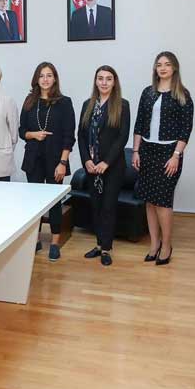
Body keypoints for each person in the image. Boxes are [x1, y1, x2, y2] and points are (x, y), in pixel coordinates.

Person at [132, 51, 194, 266]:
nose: (163, 68)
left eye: (167, 64)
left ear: (174, 68)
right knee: (149, 201)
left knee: (163, 202)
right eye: (159, 64)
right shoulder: (147, 93)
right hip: (147, 151)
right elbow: (139, 123)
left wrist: (176, 155)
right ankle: (154, 244)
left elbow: (186, 129)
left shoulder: (182, 94)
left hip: (169, 153)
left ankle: (167, 246)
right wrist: (136, 151)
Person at [19, 62, 75, 262]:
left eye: (49, 75)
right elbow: (21, 131)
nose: (45, 79)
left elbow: (69, 136)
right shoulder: (29, 101)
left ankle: (54, 243)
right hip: (33, 159)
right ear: (36, 79)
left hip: (55, 160)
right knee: (34, 203)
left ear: (55, 79)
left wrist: (63, 162)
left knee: (54, 203)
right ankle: (34, 240)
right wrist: (34, 134)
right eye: (41, 75)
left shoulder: (64, 102)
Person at [77, 66, 130, 267]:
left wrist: (105, 162)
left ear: (114, 82)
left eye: (108, 79)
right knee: (96, 206)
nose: (104, 82)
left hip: (113, 166)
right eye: (100, 78)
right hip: (92, 167)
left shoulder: (122, 105)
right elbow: (81, 135)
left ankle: (106, 249)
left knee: (108, 207)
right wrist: (86, 161)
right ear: (95, 81)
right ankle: (99, 245)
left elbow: (122, 137)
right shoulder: (87, 105)